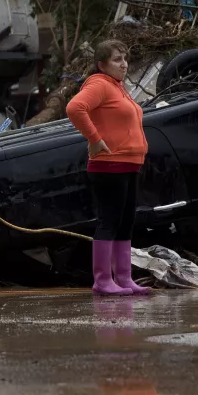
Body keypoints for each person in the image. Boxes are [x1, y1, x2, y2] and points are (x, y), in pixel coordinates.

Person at [65, 40, 151, 296]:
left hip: (129, 163)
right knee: (110, 221)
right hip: (109, 164)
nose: (123, 64)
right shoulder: (99, 84)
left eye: (125, 58)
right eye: (116, 59)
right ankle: (103, 280)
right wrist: (94, 139)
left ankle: (124, 279)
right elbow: (74, 108)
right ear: (102, 65)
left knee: (126, 222)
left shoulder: (119, 87)